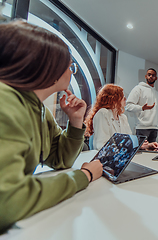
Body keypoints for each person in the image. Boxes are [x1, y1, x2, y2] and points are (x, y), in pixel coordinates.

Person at [0, 20, 103, 233]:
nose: (72, 72)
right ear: (49, 68)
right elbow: (7, 201)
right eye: (69, 66)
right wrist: (84, 176)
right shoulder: (5, 101)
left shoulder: (39, 110)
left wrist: (76, 121)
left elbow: (60, 160)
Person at [85, 84, 158, 151]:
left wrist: (146, 145)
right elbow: (101, 145)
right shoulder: (103, 113)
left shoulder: (122, 117)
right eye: (122, 97)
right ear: (113, 99)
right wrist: (129, 146)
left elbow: (129, 141)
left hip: (120, 157)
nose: (125, 99)